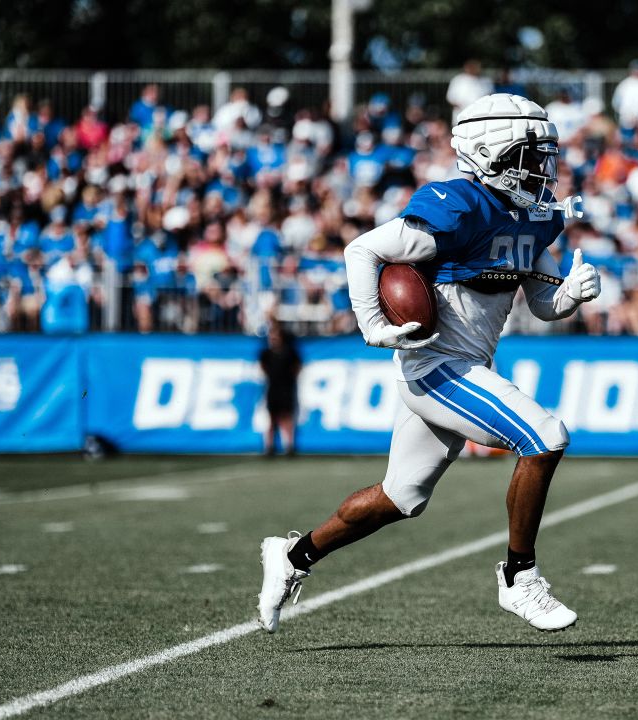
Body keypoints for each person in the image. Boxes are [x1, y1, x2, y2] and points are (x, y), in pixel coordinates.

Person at [257, 93, 602, 634]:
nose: (542, 169)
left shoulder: (536, 218)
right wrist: (372, 323)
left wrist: (572, 296)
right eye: (530, 156)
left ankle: (293, 555)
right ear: (488, 153)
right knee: (546, 436)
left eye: (544, 157)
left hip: (466, 363)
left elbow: (542, 302)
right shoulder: (457, 204)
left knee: (400, 497)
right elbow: (362, 250)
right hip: (434, 363)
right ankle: (519, 576)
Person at [258, 321, 302, 456]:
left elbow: (297, 366)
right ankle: (269, 446)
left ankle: (289, 445)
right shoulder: (266, 353)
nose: (273, 338)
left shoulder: (289, 352)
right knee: (271, 418)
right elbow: (262, 366)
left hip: (286, 388)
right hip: (273, 388)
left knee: (286, 417)